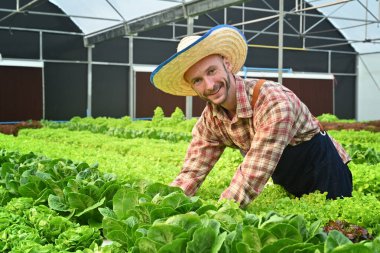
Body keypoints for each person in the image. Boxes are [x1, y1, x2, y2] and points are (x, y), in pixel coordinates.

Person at [150, 24, 352, 208]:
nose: (209, 85)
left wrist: (220, 213)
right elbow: (192, 171)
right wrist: (166, 205)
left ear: (227, 64)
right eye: (197, 80)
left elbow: (252, 174)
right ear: (192, 86)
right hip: (290, 179)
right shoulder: (210, 120)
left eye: (212, 71)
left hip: (326, 172)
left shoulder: (273, 101)